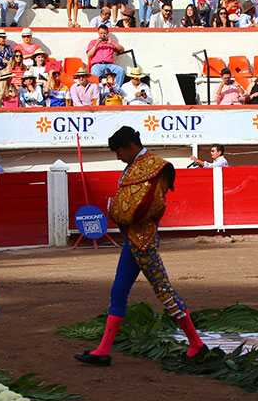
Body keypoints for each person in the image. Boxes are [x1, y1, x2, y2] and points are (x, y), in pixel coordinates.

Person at [73, 127, 208, 367]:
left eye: (118, 151)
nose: (117, 157)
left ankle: (196, 344)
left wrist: (116, 209)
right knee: (118, 291)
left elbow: (150, 207)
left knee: (164, 290)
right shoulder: (136, 165)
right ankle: (103, 350)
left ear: (129, 146)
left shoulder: (157, 166)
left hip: (143, 241)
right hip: (132, 240)